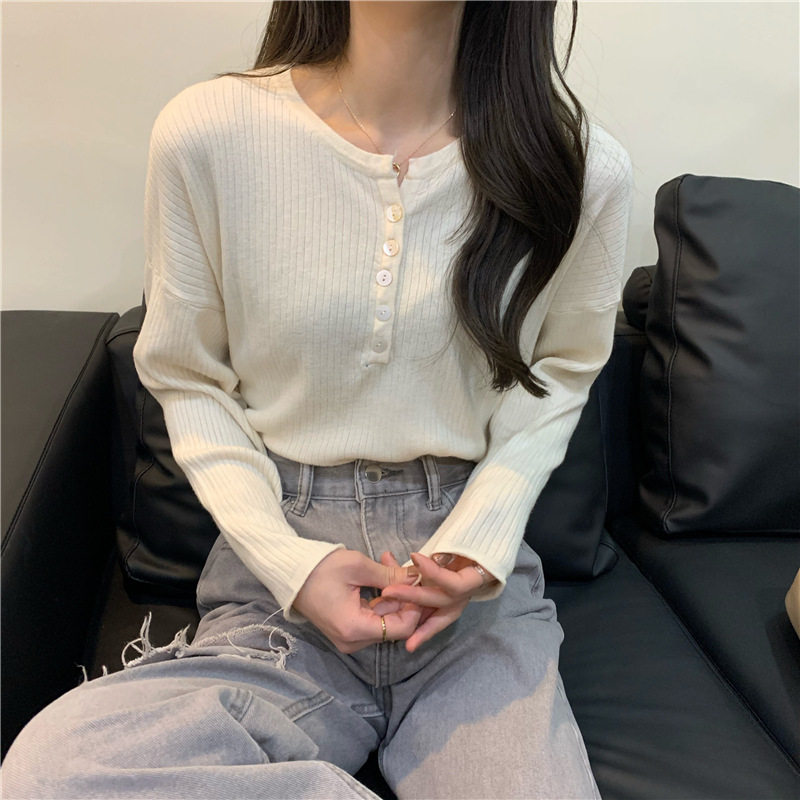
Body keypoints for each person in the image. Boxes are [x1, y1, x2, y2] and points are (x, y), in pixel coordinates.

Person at [2, 1, 633, 798]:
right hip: (278, 584)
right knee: (53, 775)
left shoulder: (579, 169)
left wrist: (479, 542)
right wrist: (288, 562)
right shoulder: (210, 133)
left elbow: (564, 373)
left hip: (464, 597)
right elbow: (187, 376)